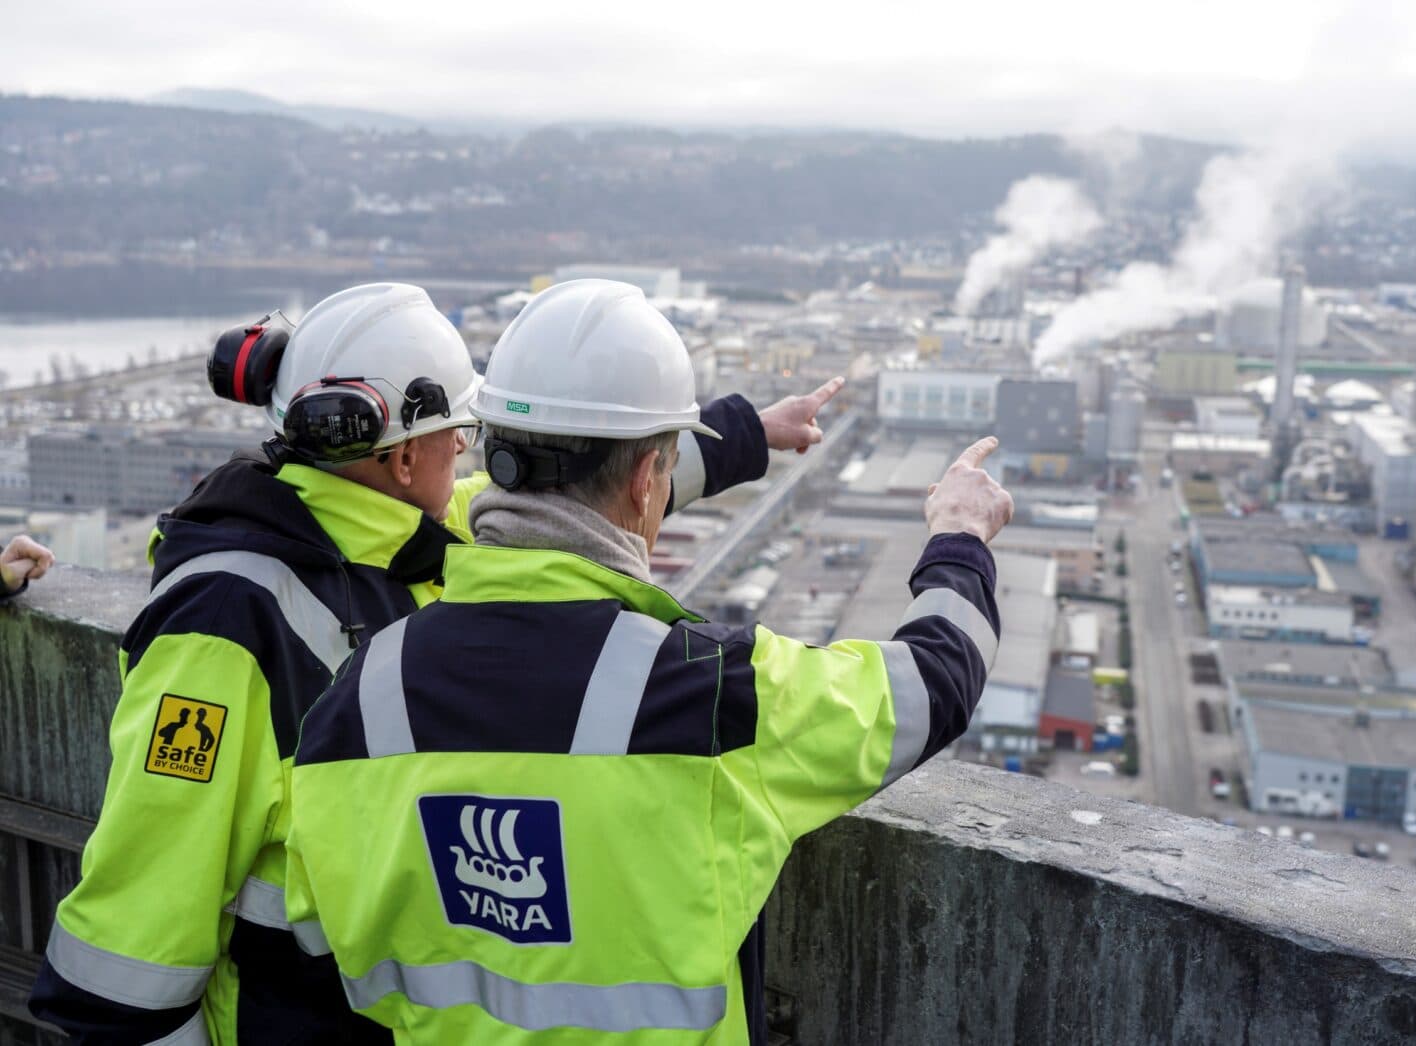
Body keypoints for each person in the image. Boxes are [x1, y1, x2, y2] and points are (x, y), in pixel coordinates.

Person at [32, 280, 840, 1045]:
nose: (469, 450)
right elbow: (130, 947)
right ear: (401, 458)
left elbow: (562, 504)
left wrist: (744, 434)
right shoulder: (225, 623)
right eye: (458, 433)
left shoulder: (385, 528)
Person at [283, 279, 1013, 1044]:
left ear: (492, 456)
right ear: (644, 481)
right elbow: (932, 684)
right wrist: (959, 536)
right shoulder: (715, 695)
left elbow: (314, 926)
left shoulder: (351, 705)